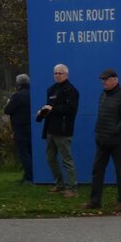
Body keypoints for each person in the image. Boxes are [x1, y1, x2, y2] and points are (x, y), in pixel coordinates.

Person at [87, 68, 121, 212]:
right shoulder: (103, 95)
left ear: (114, 79)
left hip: (117, 141)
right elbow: (102, 116)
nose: (103, 82)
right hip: (102, 140)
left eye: (105, 79)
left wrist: (114, 131)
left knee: (120, 171)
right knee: (97, 170)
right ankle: (95, 201)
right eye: (102, 80)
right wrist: (99, 133)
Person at [38, 63, 79, 197]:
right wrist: (42, 112)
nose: (57, 75)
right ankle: (60, 184)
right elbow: (49, 108)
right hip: (50, 129)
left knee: (66, 159)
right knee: (50, 158)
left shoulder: (71, 90)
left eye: (60, 73)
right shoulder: (51, 89)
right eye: (55, 73)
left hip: (63, 129)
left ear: (66, 74)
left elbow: (71, 110)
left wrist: (52, 109)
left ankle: (72, 188)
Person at [4, 74, 33, 184]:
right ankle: (31, 174)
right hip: (31, 127)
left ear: (18, 84)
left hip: (20, 127)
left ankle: (29, 176)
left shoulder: (17, 96)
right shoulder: (32, 94)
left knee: (23, 153)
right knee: (30, 152)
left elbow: (7, 110)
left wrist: (8, 103)